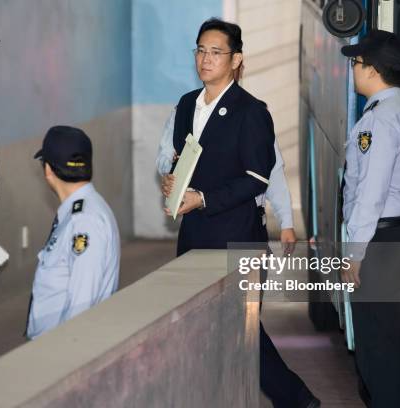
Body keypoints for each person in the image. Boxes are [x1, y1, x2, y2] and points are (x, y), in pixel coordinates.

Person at [161, 18, 319, 408]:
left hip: (237, 236)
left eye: (216, 52)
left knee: (239, 329)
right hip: (194, 236)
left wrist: (204, 199)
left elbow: (256, 178)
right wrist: (172, 181)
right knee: (204, 327)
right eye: (200, 50)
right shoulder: (186, 105)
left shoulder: (251, 112)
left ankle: (296, 398)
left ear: (236, 60)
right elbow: (178, 158)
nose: (205, 59)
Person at [340, 30, 400, 407]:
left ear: (373, 70)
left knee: (378, 352)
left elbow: (370, 192)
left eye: (356, 62)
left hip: (382, 245)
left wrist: (354, 253)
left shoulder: (378, 121)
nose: (353, 69)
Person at [26, 126, 120, 340]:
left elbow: (82, 305)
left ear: (48, 170)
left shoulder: (84, 221)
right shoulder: (82, 211)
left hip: (62, 350)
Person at [157, 108, 297, 249]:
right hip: (196, 219)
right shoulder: (186, 110)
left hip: (244, 221)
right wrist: (171, 176)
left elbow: (273, 172)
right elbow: (166, 159)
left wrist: (286, 223)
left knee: (244, 269)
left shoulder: (249, 114)